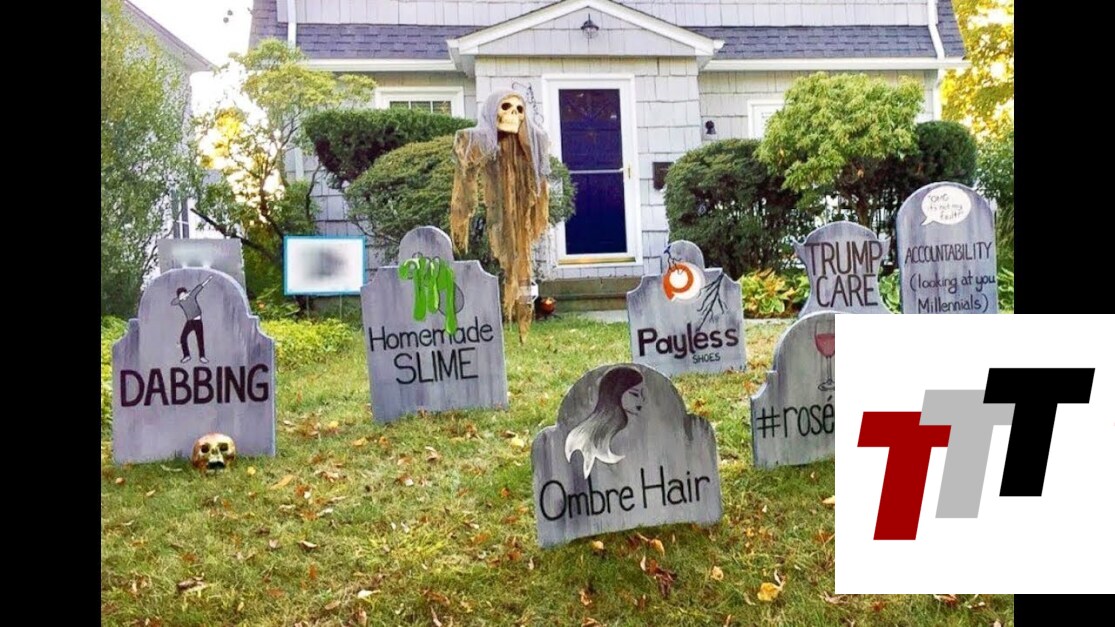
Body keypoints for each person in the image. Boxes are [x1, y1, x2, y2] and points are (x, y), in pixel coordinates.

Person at [172, 275, 212, 364]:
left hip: (198, 320)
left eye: (184, 294)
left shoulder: (191, 296)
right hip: (190, 322)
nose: (183, 296)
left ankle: (202, 357)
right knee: (183, 338)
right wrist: (180, 298)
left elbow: (199, 288)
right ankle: (186, 355)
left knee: (200, 339)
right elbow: (173, 302)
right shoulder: (180, 302)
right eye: (181, 295)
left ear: (186, 293)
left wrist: (208, 280)